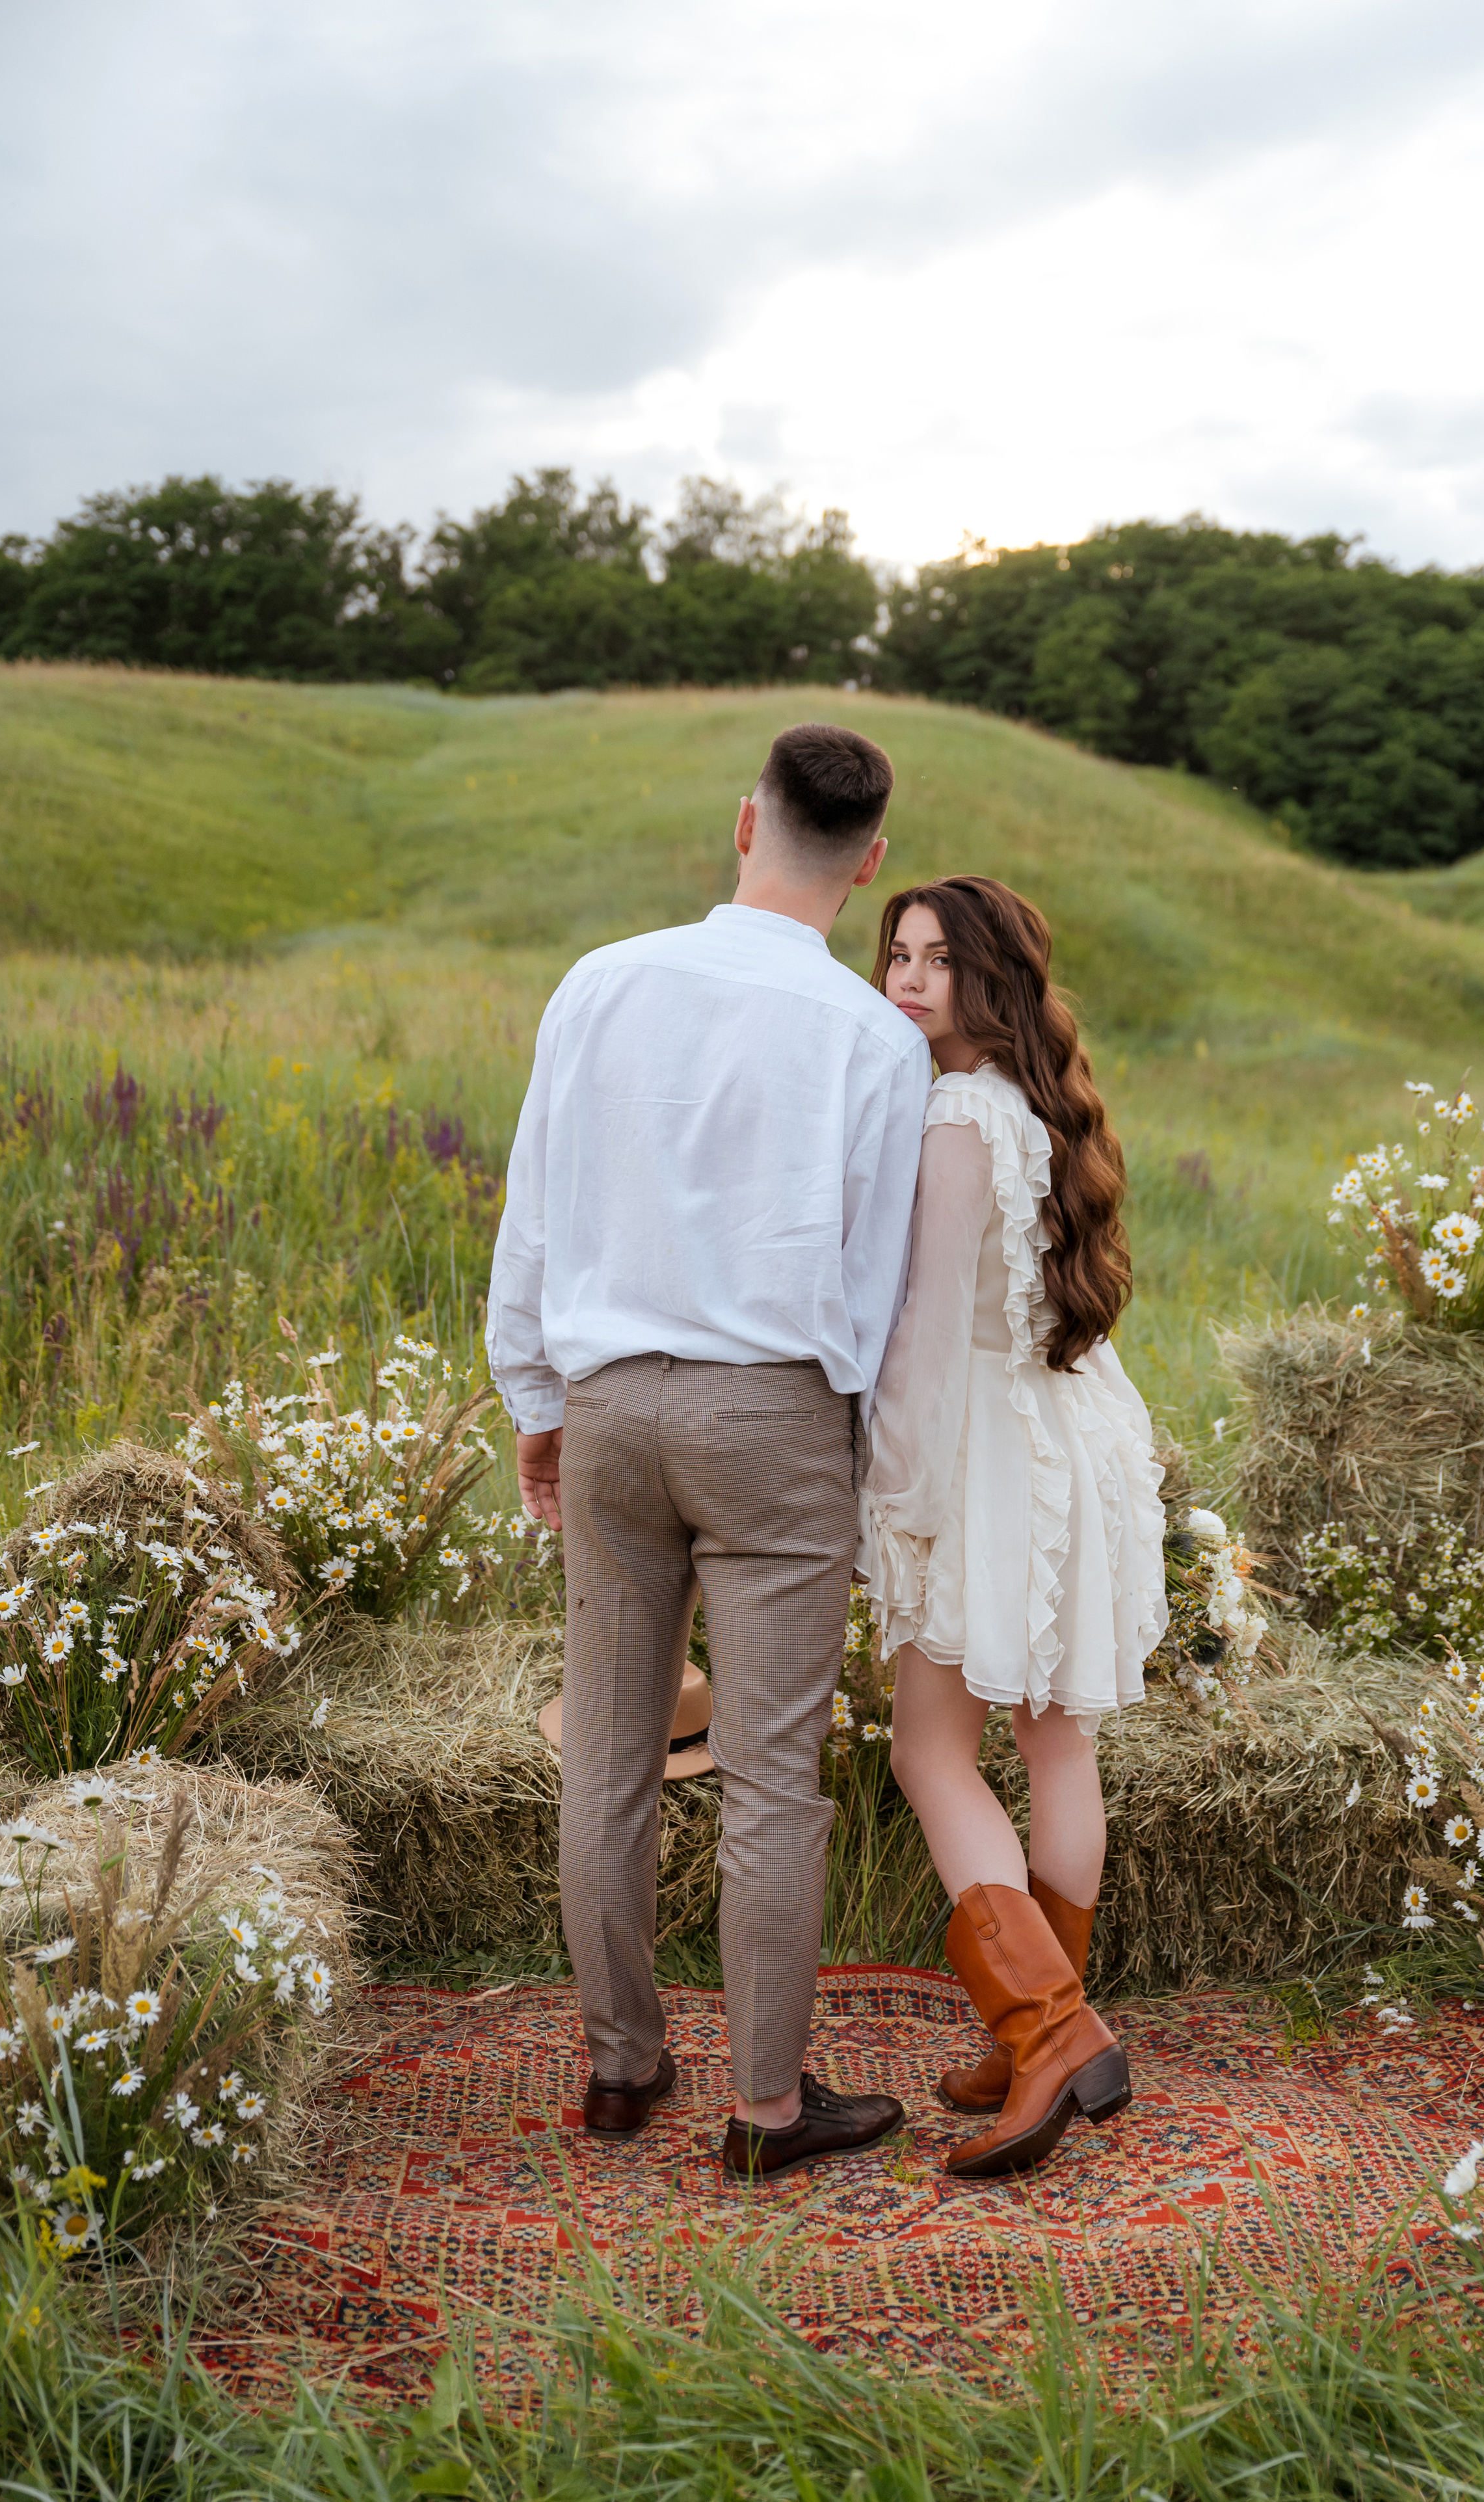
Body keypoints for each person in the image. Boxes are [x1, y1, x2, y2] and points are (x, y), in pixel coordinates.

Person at [486, 722, 929, 2181]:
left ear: (745, 822)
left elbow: (534, 1210)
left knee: (607, 1759)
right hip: (775, 1418)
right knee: (768, 1776)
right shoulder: (873, 1038)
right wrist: (849, 1448)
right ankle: (761, 2107)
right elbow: (871, 1280)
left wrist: (538, 1404)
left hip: (610, 1408)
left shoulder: (600, 983)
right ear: (867, 865)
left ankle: (620, 2068)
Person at [857, 875, 1167, 2181]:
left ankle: (1044, 2028)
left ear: (993, 982)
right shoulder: (1045, 1108)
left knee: (928, 1749)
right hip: (1076, 1432)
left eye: (939, 961)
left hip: (990, 1448)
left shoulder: (949, 1117)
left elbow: (925, 1343)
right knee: (1055, 1744)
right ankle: (1037, 2020)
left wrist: (888, 1488)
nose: (910, 979)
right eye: (897, 954)